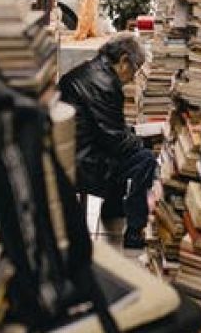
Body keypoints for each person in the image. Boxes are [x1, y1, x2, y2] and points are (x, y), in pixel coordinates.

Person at [58, 33, 156, 249]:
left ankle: (111, 208)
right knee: (145, 159)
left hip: (72, 153)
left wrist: (130, 135)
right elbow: (114, 139)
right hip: (85, 164)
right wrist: (142, 142)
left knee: (128, 148)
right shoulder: (105, 83)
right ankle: (134, 232)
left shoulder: (88, 70)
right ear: (123, 61)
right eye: (135, 69)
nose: (132, 78)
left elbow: (106, 128)